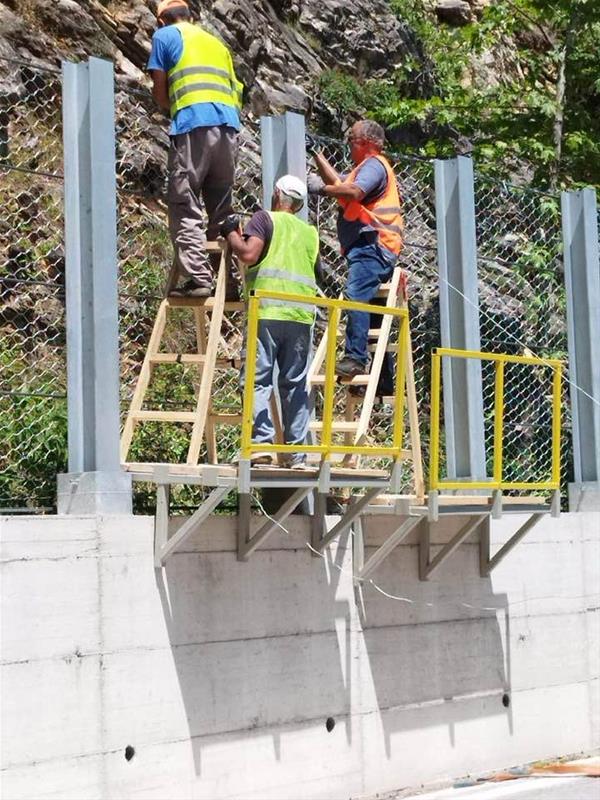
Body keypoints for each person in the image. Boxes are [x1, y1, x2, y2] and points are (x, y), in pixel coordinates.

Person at [220, 176, 319, 468]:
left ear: (277, 194)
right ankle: (296, 455)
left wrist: (231, 234)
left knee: (257, 379)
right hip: (301, 315)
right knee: (295, 384)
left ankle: (261, 445)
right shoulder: (309, 233)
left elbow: (249, 254)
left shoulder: (265, 219)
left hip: (267, 311)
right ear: (299, 204)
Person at [148, 0, 243, 297]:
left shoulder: (165, 36)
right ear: (190, 16)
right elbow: (236, 89)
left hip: (192, 125)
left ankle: (200, 278)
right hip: (228, 128)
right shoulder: (216, 44)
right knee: (221, 208)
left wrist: (169, 107)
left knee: (184, 201)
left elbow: (160, 90)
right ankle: (228, 283)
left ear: (162, 20)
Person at [307, 120, 404, 377]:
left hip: (373, 245)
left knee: (356, 294)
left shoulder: (374, 165)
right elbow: (342, 184)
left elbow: (352, 192)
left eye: (352, 139)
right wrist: (317, 155)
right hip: (374, 246)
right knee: (372, 316)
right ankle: (382, 379)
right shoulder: (364, 168)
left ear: (366, 143)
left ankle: (355, 358)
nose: (348, 143)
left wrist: (320, 189)